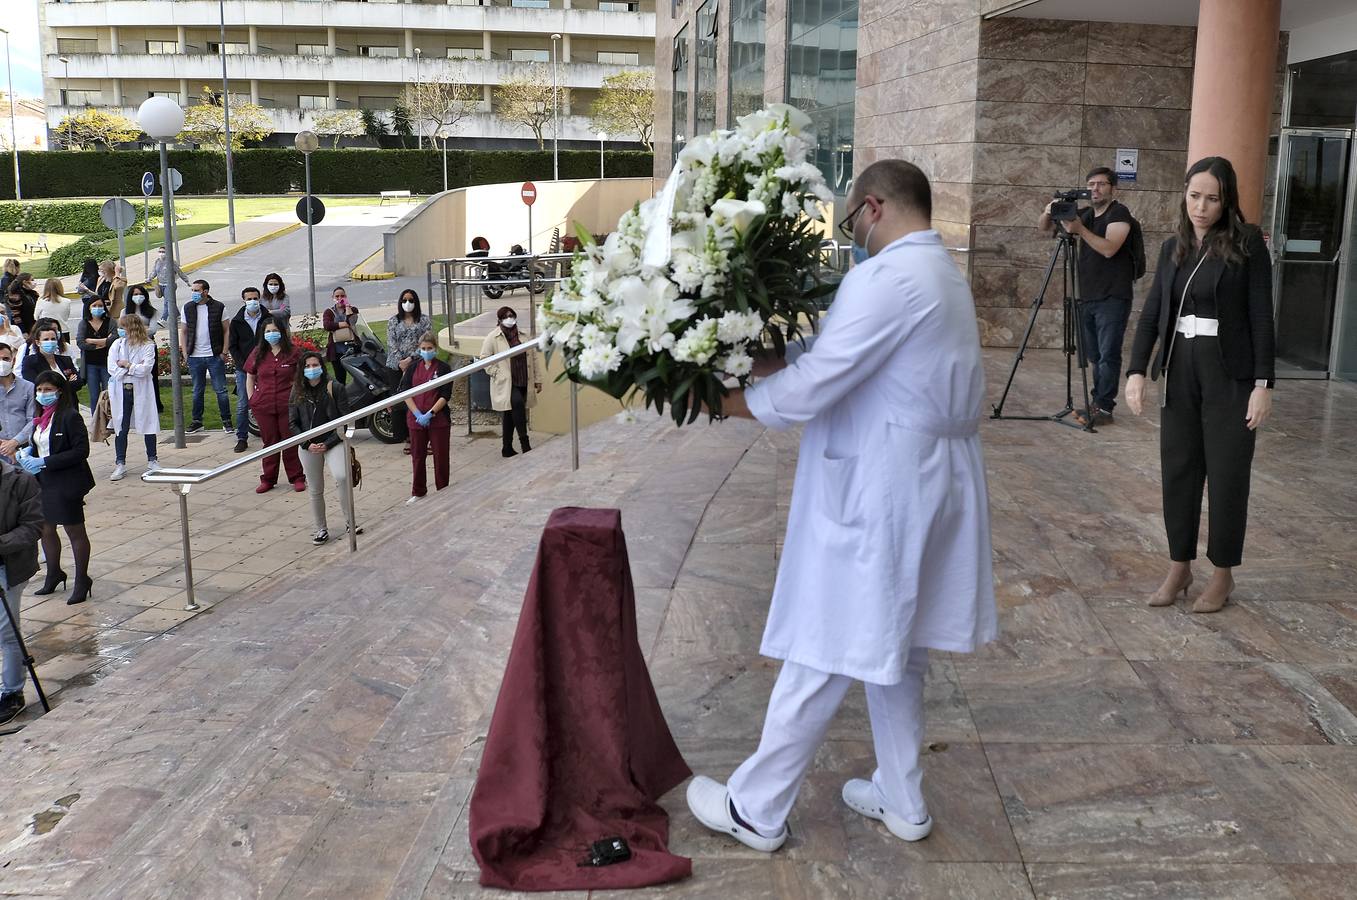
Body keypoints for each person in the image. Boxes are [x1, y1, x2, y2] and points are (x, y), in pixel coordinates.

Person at [683, 160, 997, 852]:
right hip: (926, 479)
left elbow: (822, 377)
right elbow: (843, 351)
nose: (850, 231)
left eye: (851, 216)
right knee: (899, 649)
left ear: (874, 206)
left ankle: (756, 807)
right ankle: (903, 794)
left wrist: (726, 401)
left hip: (885, 485)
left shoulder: (884, 276)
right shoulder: (939, 272)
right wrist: (763, 360)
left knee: (826, 638)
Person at [1125, 156, 1275, 615]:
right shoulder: (1174, 246)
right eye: (1194, 196)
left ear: (1226, 199)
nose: (1201, 207)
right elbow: (1152, 314)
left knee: (1228, 474)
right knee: (1180, 469)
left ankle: (1223, 574)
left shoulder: (1247, 244)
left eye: (1212, 198)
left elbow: (1261, 317)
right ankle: (1179, 566)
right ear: (1184, 195)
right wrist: (1135, 371)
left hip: (1230, 373)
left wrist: (1263, 383)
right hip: (1182, 368)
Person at [1038, 167, 1139, 425]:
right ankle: (1097, 402)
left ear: (1112, 188)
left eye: (1101, 184)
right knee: (1094, 355)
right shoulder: (1083, 214)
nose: (1095, 189)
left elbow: (1109, 249)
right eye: (1091, 184)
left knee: (1108, 354)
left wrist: (1080, 230)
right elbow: (1043, 229)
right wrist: (1049, 211)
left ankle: (1104, 408)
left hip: (1113, 296)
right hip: (1087, 295)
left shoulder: (1119, 214)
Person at [18, 372, 96, 606]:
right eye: (40, 390)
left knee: (74, 530)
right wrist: (29, 452)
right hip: (43, 480)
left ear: (59, 391)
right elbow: (39, 442)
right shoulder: (40, 416)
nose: (43, 394)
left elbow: (81, 451)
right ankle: (54, 573)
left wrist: (45, 461)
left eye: (48, 390)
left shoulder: (69, 417)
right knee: (45, 528)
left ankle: (82, 579)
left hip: (66, 480)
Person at [288, 352, 361, 545]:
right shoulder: (297, 391)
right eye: (308, 366)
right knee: (315, 488)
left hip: (333, 441)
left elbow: (345, 419)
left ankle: (350, 522)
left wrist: (327, 443)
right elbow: (293, 423)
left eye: (315, 365)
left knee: (342, 477)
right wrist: (307, 444)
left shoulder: (334, 387)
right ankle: (321, 528)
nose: (312, 369)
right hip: (308, 445)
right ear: (302, 370)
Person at [0, 452, 43, 725]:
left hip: (9, 567)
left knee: (6, 630)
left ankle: (12, 693)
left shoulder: (21, 481)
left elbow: (33, 527)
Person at [244, 319, 305, 494]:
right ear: (263, 335)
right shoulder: (258, 353)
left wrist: (298, 398)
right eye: (268, 331)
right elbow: (250, 376)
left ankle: (297, 477)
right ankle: (268, 479)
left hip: (288, 405)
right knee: (270, 443)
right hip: (264, 405)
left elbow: (301, 377)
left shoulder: (293, 353)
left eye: (275, 330)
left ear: (282, 332)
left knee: (290, 441)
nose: (272, 334)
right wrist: (252, 399)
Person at [479, 306, 541, 458]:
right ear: (499, 319)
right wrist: (498, 374)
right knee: (517, 404)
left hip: (523, 378)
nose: (510, 319)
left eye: (512, 316)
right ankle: (524, 443)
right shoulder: (493, 337)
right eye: (506, 316)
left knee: (510, 413)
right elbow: (484, 359)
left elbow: (533, 358)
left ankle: (506, 447)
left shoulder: (523, 336)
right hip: (507, 381)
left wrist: (538, 379)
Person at [107, 314, 160, 481]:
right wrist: (131, 369)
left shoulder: (147, 345)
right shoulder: (117, 344)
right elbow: (112, 369)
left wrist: (128, 365)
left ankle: (152, 460)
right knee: (120, 426)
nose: (120, 331)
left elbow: (146, 370)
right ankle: (120, 463)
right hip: (122, 389)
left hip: (141, 389)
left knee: (148, 423)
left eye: (123, 328)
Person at [400, 333, 451, 502]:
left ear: (435, 349)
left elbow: (445, 394)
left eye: (429, 348)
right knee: (418, 455)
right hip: (416, 419)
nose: (426, 351)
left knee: (440, 456)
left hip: (438, 419)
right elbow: (406, 392)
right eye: (423, 349)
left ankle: (443, 491)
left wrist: (431, 413)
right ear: (418, 349)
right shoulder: (413, 368)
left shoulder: (443, 368)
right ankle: (418, 492)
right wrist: (417, 414)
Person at [178, 278, 232, 435]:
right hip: (195, 356)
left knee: (221, 390)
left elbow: (226, 329)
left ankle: (227, 421)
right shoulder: (187, 308)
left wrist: (224, 351)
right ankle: (197, 421)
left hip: (214, 355)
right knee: (197, 390)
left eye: (197, 290)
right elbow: (184, 331)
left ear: (205, 292)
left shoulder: (219, 307)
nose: (194, 293)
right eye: (192, 290)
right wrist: (185, 352)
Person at [229, 286, 273, 453]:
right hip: (244, 369)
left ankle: (269, 436)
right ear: (244, 301)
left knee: (267, 401)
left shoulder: (268, 319)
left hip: (265, 366)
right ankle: (242, 437)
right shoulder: (237, 321)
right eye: (249, 299)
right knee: (243, 403)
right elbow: (233, 346)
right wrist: (242, 364)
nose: (252, 301)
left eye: (255, 298)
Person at [387, 288, 430, 454]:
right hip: (396, 366)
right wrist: (401, 362)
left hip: (417, 364)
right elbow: (391, 343)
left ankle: (421, 436)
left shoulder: (424, 321)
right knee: (400, 402)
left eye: (411, 300)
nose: (408, 303)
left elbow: (427, 341)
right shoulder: (393, 321)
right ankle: (407, 438)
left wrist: (410, 360)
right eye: (404, 300)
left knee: (419, 401)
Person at [76, 296, 114, 417]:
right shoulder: (84, 323)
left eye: (100, 306)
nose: (97, 308)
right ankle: (96, 421)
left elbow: (114, 339)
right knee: (94, 395)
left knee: (109, 394)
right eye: (94, 306)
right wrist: (101, 343)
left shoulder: (111, 322)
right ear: (89, 308)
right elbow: (81, 342)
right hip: (90, 364)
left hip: (107, 363)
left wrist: (92, 340)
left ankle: (109, 420)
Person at [20, 322, 82, 393]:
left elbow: (78, 383)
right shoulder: (30, 361)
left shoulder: (66, 360)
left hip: (69, 402)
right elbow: (34, 385)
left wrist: (52, 386)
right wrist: (66, 383)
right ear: (38, 342)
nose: (50, 342)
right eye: (46, 339)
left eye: (53, 339)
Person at [0, 342, 34, 463]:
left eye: (5, 359)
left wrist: (14, 443)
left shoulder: (28, 387)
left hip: (24, 450)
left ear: (13, 361)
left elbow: (33, 420)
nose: (2, 363)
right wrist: (6, 448)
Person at [322, 286, 361, 385]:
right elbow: (327, 325)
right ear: (333, 297)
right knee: (340, 378)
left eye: (342, 296)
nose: (340, 298)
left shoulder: (353, 309)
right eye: (337, 296)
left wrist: (347, 307)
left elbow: (351, 321)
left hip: (352, 347)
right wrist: (343, 324)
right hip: (337, 350)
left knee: (359, 376)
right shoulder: (329, 312)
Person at [35, 278, 76, 345]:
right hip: (63, 330)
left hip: (46, 332)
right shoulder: (67, 301)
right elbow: (66, 316)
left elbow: (36, 317)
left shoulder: (41, 301)